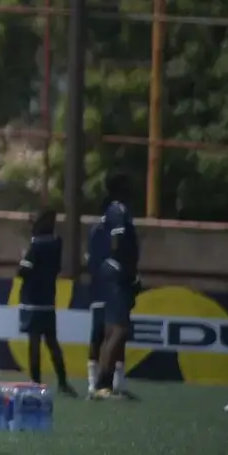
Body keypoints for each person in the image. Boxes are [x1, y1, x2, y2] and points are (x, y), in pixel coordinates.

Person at [89, 171, 140, 401]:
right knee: (119, 329)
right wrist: (127, 270)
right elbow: (119, 242)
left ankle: (104, 385)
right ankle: (103, 384)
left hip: (111, 272)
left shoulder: (109, 211)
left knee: (111, 330)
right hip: (118, 272)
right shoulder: (119, 210)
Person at [16, 210, 74, 395]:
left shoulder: (36, 245)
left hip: (32, 300)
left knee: (34, 343)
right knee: (52, 342)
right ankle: (63, 381)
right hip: (48, 300)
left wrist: (23, 256)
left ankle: (35, 381)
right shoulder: (56, 243)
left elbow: (23, 272)